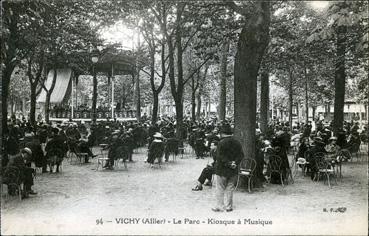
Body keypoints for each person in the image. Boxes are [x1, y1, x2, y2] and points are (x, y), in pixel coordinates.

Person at [212, 124, 243, 212]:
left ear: (222, 133)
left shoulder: (221, 143)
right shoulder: (237, 142)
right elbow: (241, 155)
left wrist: (228, 163)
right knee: (230, 187)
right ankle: (229, 206)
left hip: (222, 169)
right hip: (233, 169)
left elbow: (220, 157)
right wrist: (235, 163)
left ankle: (219, 206)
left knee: (220, 188)